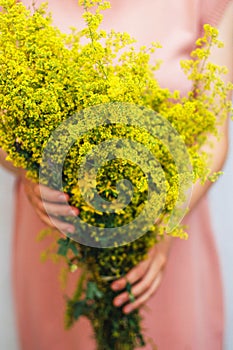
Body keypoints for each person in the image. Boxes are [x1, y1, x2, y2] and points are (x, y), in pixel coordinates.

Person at [0, 0, 232, 349]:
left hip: (162, 249)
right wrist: (29, 173)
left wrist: (166, 221)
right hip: (57, 235)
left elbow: (213, 131)